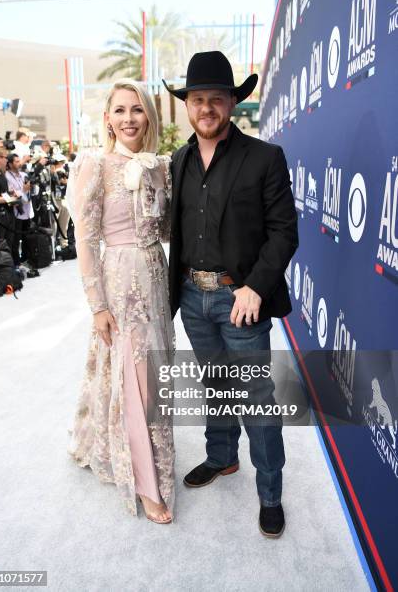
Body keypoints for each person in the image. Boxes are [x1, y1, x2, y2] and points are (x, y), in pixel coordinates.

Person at [163, 51, 298, 537]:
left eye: (216, 98)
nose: (206, 107)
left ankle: (270, 492)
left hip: (239, 300)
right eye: (197, 99)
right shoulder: (177, 160)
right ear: (187, 105)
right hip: (192, 300)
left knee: (256, 397)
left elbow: (284, 232)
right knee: (215, 387)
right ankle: (222, 458)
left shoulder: (265, 157)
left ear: (232, 103)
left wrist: (254, 287)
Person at [67, 79, 175, 523]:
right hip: (119, 281)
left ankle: (144, 455)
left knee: (156, 373)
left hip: (156, 278)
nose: (129, 118)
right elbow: (86, 240)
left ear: (149, 115)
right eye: (120, 110)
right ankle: (147, 484)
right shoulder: (94, 165)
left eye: (137, 109)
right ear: (107, 118)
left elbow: (168, 231)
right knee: (135, 380)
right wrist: (97, 306)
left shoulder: (161, 167)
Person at [5, 153, 34, 266]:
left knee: (26, 236)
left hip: (27, 209)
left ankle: (26, 258)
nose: (19, 163)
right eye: (16, 162)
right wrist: (24, 190)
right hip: (16, 211)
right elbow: (12, 195)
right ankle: (16, 263)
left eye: (19, 161)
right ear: (10, 164)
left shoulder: (23, 174)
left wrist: (31, 188)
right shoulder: (7, 176)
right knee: (15, 239)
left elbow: (29, 191)